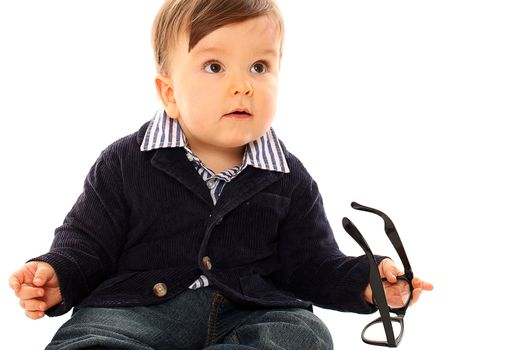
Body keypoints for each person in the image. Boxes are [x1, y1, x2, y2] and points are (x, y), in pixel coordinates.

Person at [8, 0, 433, 349]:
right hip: (136, 312)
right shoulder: (124, 162)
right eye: (214, 67)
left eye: (259, 67)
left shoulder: (289, 178)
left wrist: (366, 280)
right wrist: (58, 273)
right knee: (93, 337)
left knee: (302, 334)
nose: (242, 86)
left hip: (250, 313)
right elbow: (86, 243)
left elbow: (313, 265)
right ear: (169, 93)